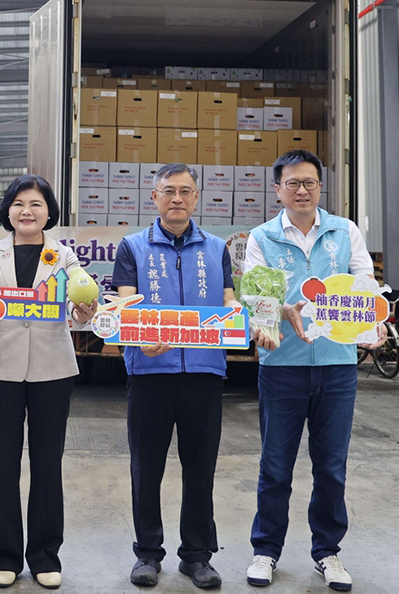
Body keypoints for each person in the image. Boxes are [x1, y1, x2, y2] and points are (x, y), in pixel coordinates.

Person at [243, 150, 383, 591]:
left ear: (320, 187)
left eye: (309, 183)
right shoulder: (262, 238)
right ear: (277, 189)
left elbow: (365, 287)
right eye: (292, 183)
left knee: (332, 467)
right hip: (281, 367)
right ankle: (266, 550)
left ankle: (328, 552)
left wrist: (374, 322)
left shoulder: (344, 231)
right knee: (275, 466)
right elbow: (256, 300)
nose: (301, 191)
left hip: (337, 367)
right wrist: (274, 318)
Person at [111, 163, 238, 590]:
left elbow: (228, 300)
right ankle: (147, 553)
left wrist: (242, 314)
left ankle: (197, 556)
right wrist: (140, 336)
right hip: (150, 372)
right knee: (146, 467)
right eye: (169, 191)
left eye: (185, 191)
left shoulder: (217, 248)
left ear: (197, 197)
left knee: (200, 467)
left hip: (204, 371)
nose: (177, 198)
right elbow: (126, 305)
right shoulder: (132, 246)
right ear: (155, 197)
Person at [0, 174, 97, 589]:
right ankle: (4, 556)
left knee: (47, 464)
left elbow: (79, 304)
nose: (27, 211)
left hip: (52, 369)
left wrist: (84, 311)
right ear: (7, 211)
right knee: (3, 464)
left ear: (49, 212)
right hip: (0, 368)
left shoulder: (64, 255)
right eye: (19, 203)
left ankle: (44, 556)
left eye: (36, 204)